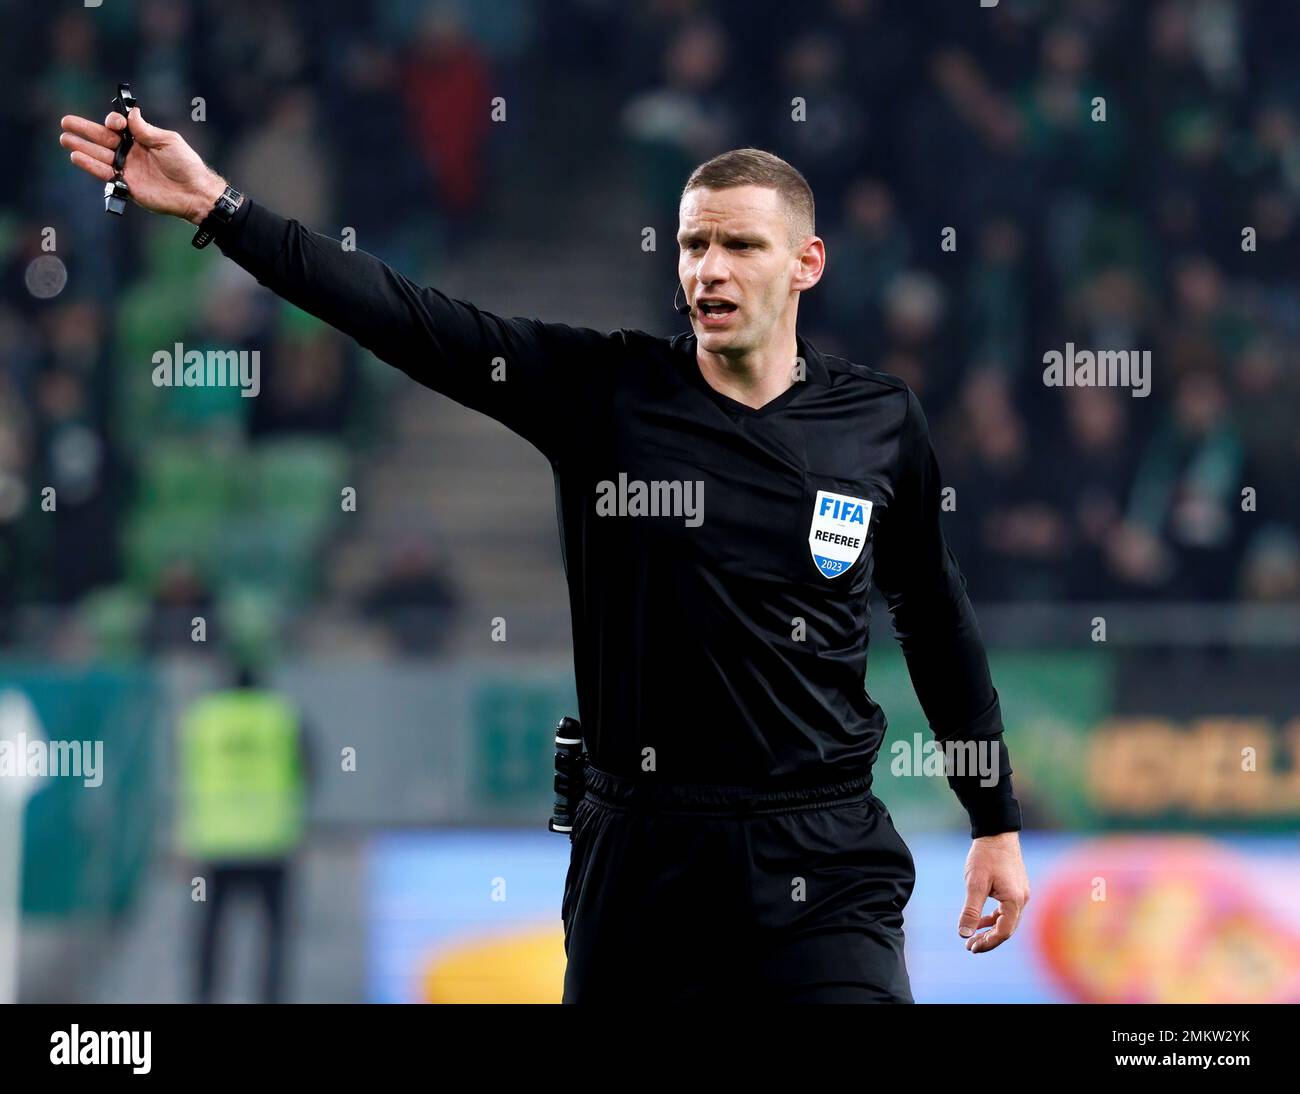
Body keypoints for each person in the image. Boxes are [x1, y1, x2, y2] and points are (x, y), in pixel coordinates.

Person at [59, 107, 1029, 1003]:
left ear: (806, 262)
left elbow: (933, 616)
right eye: (695, 244)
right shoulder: (601, 390)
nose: (711, 270)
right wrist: (220, 209)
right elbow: (405, 317)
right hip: (644, 855)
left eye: (740, 245)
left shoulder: (873, 420)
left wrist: (992, 814)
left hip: (823, 848)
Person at [176, 664, 311, 1003]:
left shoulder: (203, 719)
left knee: (210, 932)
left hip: (215, 843)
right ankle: (271, 996)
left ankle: (204, 994)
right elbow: (309, 769)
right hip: (271, 841)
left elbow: (186, 772)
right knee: (274, 934)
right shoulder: (281, 716)